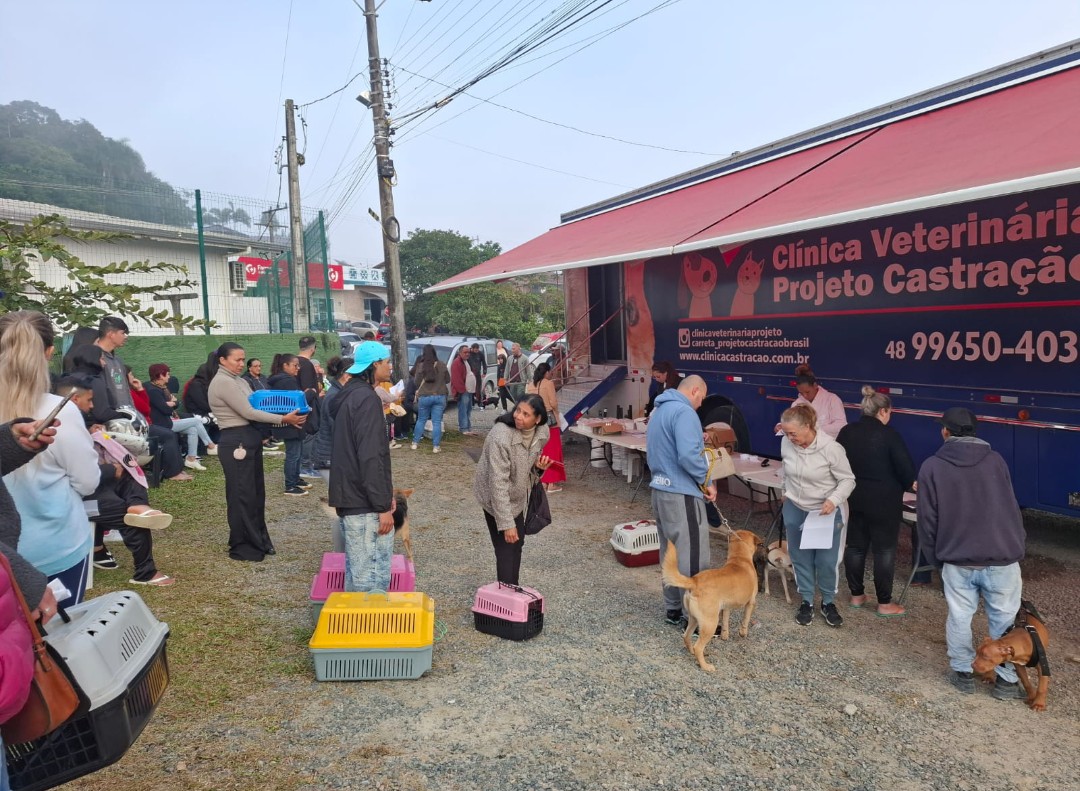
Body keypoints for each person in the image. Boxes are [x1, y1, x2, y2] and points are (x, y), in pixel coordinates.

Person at [916, 407, 1027, 700]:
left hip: (957, 559)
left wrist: (935, 558)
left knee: (960, 616)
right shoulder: (996, 460)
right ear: (976, 432)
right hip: (1003, 556)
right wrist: (1018, 543)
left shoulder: (931, 466)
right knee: (1005, 621)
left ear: (945, 432)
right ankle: (1006, 682)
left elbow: (927, 520)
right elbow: (1011, 506)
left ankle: (963, 674)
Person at [1, 311, 99, 607]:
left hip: (8, 562)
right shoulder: (62, 411)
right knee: (58, 648)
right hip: (57, 549)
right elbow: (88, 481)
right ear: (49, 352)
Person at [58, 377, 175, 586]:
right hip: (75, 501)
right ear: (75, 399)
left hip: (90, 488)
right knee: (131, 519)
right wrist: (109, 469)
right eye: (89, 400)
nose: (92, 406)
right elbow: (79, 480)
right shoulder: (60, 433)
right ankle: (145, 574)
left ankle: (138, 504)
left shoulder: (71, 426)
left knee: (130, 473)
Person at [208, 342, 306, 562]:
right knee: (242, 495)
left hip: (248, 438)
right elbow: (249, 411)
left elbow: (260, 403)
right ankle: (244, 544)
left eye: (243, 359)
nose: (241, 363)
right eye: (237, 360)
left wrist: (286, 410)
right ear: (222, 360)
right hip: (235, 441)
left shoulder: (239, 380)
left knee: (255, 495)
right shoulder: (222, 382)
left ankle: (258, 539)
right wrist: (283, 418)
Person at [836, 386, 916, 617]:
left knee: (856, 547)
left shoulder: (846, 432)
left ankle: (857, 595)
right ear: (882, 411)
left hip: (853, 498)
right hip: (884, 502)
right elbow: (906, 471)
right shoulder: (890, 435)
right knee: (884, 550)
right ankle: (884, 603)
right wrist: (902, 486)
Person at [646, 375, 716, 626]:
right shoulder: (685, 413)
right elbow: (689, 456)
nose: (700, 405)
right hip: (682, 493)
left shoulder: (659, 410)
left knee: (670, 552)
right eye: (702, 399)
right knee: (693, 556)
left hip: (660, 489)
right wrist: (706, 481)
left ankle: (673, 608)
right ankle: (694, 618)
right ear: (695, 391)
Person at [778, 404, 856, 628]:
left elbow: (848, 480)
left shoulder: (832, 448)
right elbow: (785, 468)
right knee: (800, 557)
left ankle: (828, 602)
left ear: (809, 427)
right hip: (796, 506)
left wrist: (833, 500)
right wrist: (785, 492)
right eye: (786, 432)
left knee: (826, 560)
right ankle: (806, 601)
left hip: (824, 511)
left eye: (793, 433)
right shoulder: (787, 443)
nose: (789, 437)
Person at [328, 342, 396, 591]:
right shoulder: (366, 399)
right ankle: (370, 629)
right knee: (371, 579)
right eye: (387, 361)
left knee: (358, 574)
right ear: (374, 364)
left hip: (352, 497)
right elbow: (370, 456)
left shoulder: (348, 394)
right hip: (364, 503)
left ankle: (355, 627)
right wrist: (382, 505)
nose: (390, 366)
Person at [67, 346, 191, 482]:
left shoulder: (134, 391)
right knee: (170, 434)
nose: (134, 377)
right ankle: (174, 471)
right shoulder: (126, 392)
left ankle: (180, 466)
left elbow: (146, 408)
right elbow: (146, 409)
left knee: (186, 427)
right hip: (140, 426)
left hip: (146, 423)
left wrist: (140, 389)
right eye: (131, 375)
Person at [473, 394, 553, 585]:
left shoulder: (543, 433)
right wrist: (507, 524)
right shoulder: (500, 437)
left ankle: (511, 590)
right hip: (493, 494)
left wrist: (538, 469)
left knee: (517, 543)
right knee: (506, 548)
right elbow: (497, 484)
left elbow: (529, 464)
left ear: (538, 419)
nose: (518, 416)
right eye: (518, 410)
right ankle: (506, 603)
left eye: (526, 414)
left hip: (516, 495)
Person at [147, 363, 217, 469]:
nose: (169, 377)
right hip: (163, 423)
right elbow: (166, 409)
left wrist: (173, 403)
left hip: (169, 420)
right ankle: (211, 446)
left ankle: (191, 459)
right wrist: (172, 403)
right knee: (196, 421)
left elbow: (174, 403)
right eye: (168, 374)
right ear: (161, 375)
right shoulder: (153, 391)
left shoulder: (161, 388)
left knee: (193, 429)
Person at [268, 354, 312, 496]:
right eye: (295, 365)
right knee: (293, 454)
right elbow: (297, 401)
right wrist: (310, 394)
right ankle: (290, 485)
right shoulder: (286, 381)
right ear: (285, 366)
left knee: (297, 452)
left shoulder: (282, 380)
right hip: (291, 422)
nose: (297, 368)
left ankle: (295, 478)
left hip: (290, 422)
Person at [775, 365, 847, 438]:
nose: (805, 396)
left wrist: (814, 430)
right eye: (801, 393)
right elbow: (792, 423)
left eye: (807, 392)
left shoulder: (832, 399)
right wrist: (781, 426)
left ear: (815, 385)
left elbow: (841, 425)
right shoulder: (797, 403)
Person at [526, 363, 565, 493]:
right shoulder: (548, 383)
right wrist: (557, 414)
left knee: (540, 450)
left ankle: (542, 481)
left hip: (535, 421)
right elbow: (553, 403)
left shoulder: (530, 385)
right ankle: (552, 483)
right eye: (550, 372)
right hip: (549, 421)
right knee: (553, 450)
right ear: (546, 372)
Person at [411, 344, 449, 453]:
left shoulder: (421, 366)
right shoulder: (442, 365)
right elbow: (447, 380)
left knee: (421, 420)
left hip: (424, 397)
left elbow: (416, 382)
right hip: (439, 395)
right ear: (434, 352)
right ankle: (436, 446)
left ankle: (415, 443)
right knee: (436, 422)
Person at [296, 336, 321, 479]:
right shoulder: (307, 364)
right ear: (313, 348)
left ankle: (304, 465)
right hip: (307, 406)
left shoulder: (293, 361)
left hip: (297, 406)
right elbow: (308, 389)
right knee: (309, 436)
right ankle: (305, 466)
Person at [451, 344, 477, 436]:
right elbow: (456, 379)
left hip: (469, 390)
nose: (467, 354)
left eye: (468, 352)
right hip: (463, 391)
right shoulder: (457, 362)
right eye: (465, 352)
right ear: (460, 352)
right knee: (463, 409)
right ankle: (464, 428)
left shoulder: (467, 362)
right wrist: (461, 391)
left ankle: (468, 427)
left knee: (468, 409)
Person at [469, 342, 487, 408]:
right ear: (472, 348)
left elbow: (484, 363)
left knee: (478, 389)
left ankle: (480, 403)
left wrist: (484, 372)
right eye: (475, 350)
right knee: (471, 389)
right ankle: (472, 403)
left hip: (477, 373)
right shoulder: (468, 353)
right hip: (470, 374)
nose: (477, 351)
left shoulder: (480, 354)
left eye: (477, 349)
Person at [495, 340, 510, 410]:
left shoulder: (507, 365)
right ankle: (504, 409)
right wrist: (498, 383)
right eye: (499, 359)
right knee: (502, 395)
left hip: (507, 381)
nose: (500, 360)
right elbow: (498, 375)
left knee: (508, 394)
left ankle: (516, 402)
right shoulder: (499, 366)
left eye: (501, 359)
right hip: (501, 381)